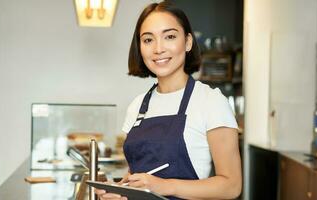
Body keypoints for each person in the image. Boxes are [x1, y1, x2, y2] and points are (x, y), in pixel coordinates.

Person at [95, 1, 241, 200]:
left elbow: (231, 186)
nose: (158, 48)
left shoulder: (211, 101)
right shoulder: (138, 105)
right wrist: (120, 190)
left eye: (169, 36)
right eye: (148, 40)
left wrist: (164, 186)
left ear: (188, 42)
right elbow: (137, 177)